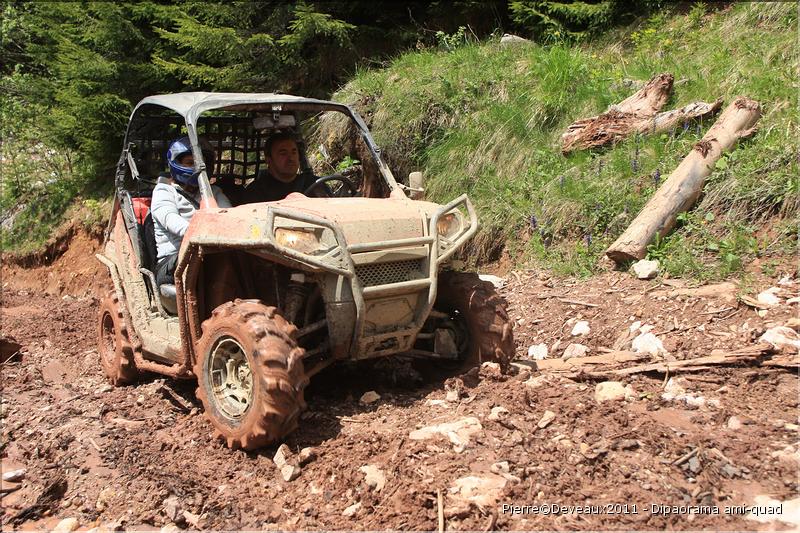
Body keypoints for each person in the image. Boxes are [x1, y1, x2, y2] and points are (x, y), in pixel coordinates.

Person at [151, 136, 231, 286]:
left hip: (211, 251)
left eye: (201, 163)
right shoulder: (164, 191)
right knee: (204, 261)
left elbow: (228, 214)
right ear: (176, 164)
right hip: (173, 261)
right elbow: (170, 219)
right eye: (190, 163)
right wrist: (201, 235)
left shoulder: (213, 191)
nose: (197, 167)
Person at [236, 132, 323, 204]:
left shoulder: (314, 184)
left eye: (294, 152)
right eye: (283, 153)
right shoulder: (255, 193)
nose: (291, 158)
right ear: (268, 160)